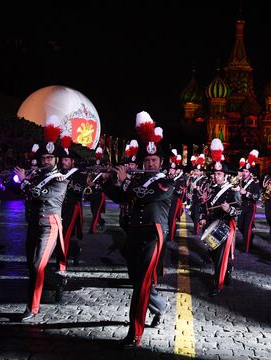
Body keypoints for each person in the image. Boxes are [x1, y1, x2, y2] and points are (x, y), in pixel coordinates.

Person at [102, 111, 173, 349]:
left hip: (153, 234)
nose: (150, 164)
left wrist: (125, 181)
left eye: (154, 161)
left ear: (161, 163)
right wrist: (107, 181)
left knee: (142, 283)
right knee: (136, 280)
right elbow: (121, 198)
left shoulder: (166, 181)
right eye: (147, 162)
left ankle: (135, 334)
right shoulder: (137, 180)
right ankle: (161, 306)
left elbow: (149, 195)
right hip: (134, 232)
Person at [13, 116, 68, 321]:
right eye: (43, 158)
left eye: (49, 159)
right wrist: (20, 182)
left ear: (56, 160)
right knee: (31, 266)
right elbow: (22, 192)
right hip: (33, 224)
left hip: (49, 225)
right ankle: (58, 282)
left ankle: (32, 307)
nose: (46, 161)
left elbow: (41, 194)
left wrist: (25, 182)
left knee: (38, 265)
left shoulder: (60, 179)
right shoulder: (36, 175)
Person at [199, 138, 240, 296]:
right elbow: (206, 206)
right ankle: (228, 269)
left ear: (225, 175)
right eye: (214, 174)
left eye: (219, 174)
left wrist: (229, 209)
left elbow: (238, 211)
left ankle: (218, 285)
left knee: (219, 259)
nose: (216, 176)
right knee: (212, 254)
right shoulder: (210, 188)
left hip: (225, 227)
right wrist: (203, 216)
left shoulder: (232, 190)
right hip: (211, 225)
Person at [56, 148, 86, 269]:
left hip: (71, 208)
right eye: (63, 159)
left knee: (65, 235)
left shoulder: (79, 174)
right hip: (57, 207)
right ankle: (75, 250)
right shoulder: (58, 172)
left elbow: (79, 190)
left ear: (72, 161)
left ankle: (62, 264)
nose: (64, 162)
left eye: (66, 159)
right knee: (57, 235)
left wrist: (67, 183)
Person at [237, 150, 261, 253]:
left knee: (247, 227)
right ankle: (250, 236)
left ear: (250, 173)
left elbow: (256, 197)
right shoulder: (239, 181)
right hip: (241, 206)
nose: (244, 173)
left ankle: (246, 248)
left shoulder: (254, 183)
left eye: (246, 171)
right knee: (240, 225)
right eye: (243, 171)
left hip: (250, 206)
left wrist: (246, 193)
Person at [167, 150, 187, 241]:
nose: (171, 171)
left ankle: (171, 236)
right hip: (166, 201)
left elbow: (180, 191)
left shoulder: (180, 180)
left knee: (172, 219)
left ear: (176, 171)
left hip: (174, 201)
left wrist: (172, 188)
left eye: (173, 170)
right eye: (170, 169)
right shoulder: (166, 178)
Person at [87, 146, 107, 234]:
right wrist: (89, 182)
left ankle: (92, 229)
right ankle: (102, 222)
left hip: (100, 194)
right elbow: (88, 181)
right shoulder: (91, 173)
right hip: (92, 194)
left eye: (98, 165)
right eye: (96, 165)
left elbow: (106, 185)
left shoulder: (104, 173)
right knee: (94, 212)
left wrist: (95, 184)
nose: (97, 166)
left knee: (96, 212)